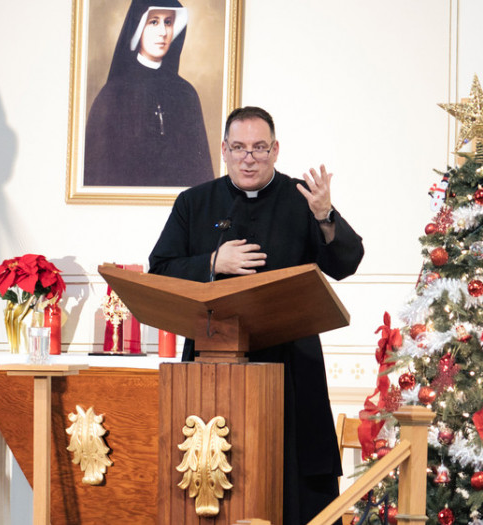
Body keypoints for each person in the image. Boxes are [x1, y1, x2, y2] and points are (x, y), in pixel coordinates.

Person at [148, 106, 364, 524]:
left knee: (294, 483)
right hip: (211, 369)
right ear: (224, 151)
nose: (249, 158)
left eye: (260, 148)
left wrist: (325, 216)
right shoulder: (193, 203)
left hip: (292, 367)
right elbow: (160, 268)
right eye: (240, 148)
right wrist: (212, 261)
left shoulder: (303, 199)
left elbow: (347, 262)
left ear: (275, 150)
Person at [84, 0, 213, 187]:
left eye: (168, 22)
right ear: (138, 27)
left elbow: (202, 177)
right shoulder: (113, 95)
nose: (162, 31)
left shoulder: (186, 94)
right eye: (154, 22)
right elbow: (98, 176)